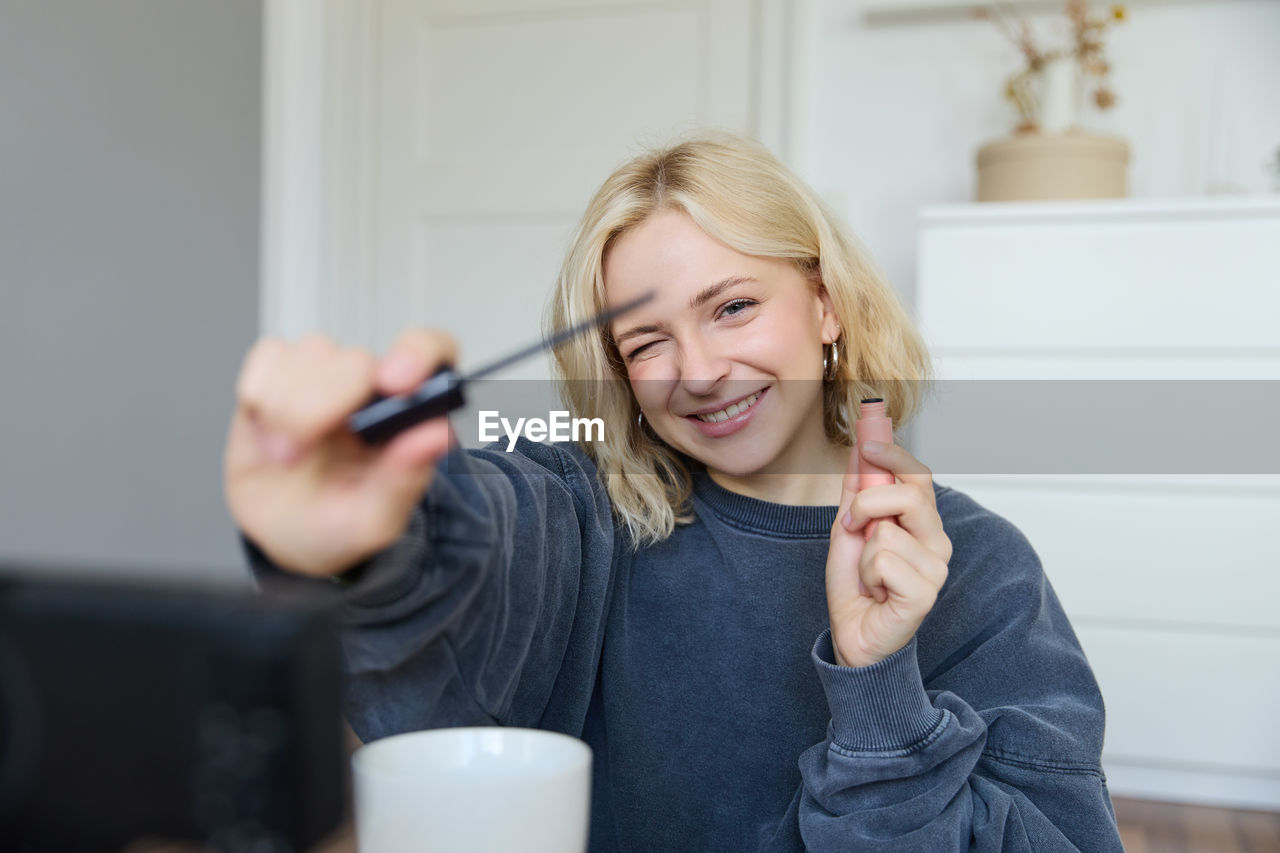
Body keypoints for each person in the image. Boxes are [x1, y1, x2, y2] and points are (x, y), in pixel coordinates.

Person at [225, 132, 1124, 851]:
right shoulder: (587, 504)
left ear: (826, 304)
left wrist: (880, 689)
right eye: (646, 341)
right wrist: (370, 539)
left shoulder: (986, 570)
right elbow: (474, 541)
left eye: (733, 306)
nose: (696, 371)